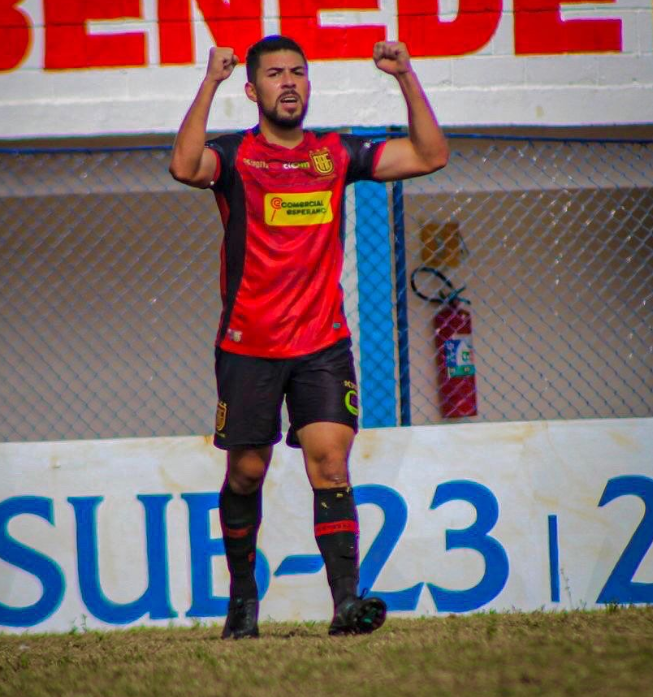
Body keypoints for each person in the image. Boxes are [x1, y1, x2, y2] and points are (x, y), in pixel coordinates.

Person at [170, 35, 448, 639]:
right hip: (247, 348)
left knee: (330, 463)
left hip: (322, 346)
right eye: (274, 74)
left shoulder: (334, 154)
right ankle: (242, 601)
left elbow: (430, 156)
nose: (289, 82)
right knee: (246, 473)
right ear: (254, 90)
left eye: (298, 72)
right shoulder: (237, 156)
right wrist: (209, 83)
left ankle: (347, 603)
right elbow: (184, 167)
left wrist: (405, 76)